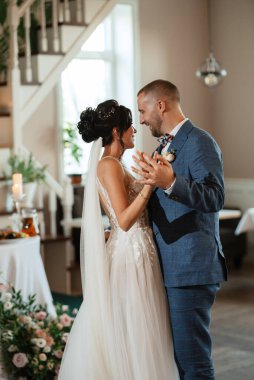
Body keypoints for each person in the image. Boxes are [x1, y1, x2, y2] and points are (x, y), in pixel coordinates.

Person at [58, 99, 179, 379]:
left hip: (138, 248)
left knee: (142, 325)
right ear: (116, 131)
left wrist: (151, 173)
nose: (134, 130)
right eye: (129, 126)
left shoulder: (116, 164)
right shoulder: (109, 166)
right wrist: (150, 186)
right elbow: (124, 221)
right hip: (130, 252)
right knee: (135, 325)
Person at [132, 79, 228, 380]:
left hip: (191, 267)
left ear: (161, 105)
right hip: (171, 266)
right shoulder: (165, 145)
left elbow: (215, 197)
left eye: (143, 111)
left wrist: (169, 182)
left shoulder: (200, 141)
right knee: (179, 359)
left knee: (193, 361)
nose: (142, 119)